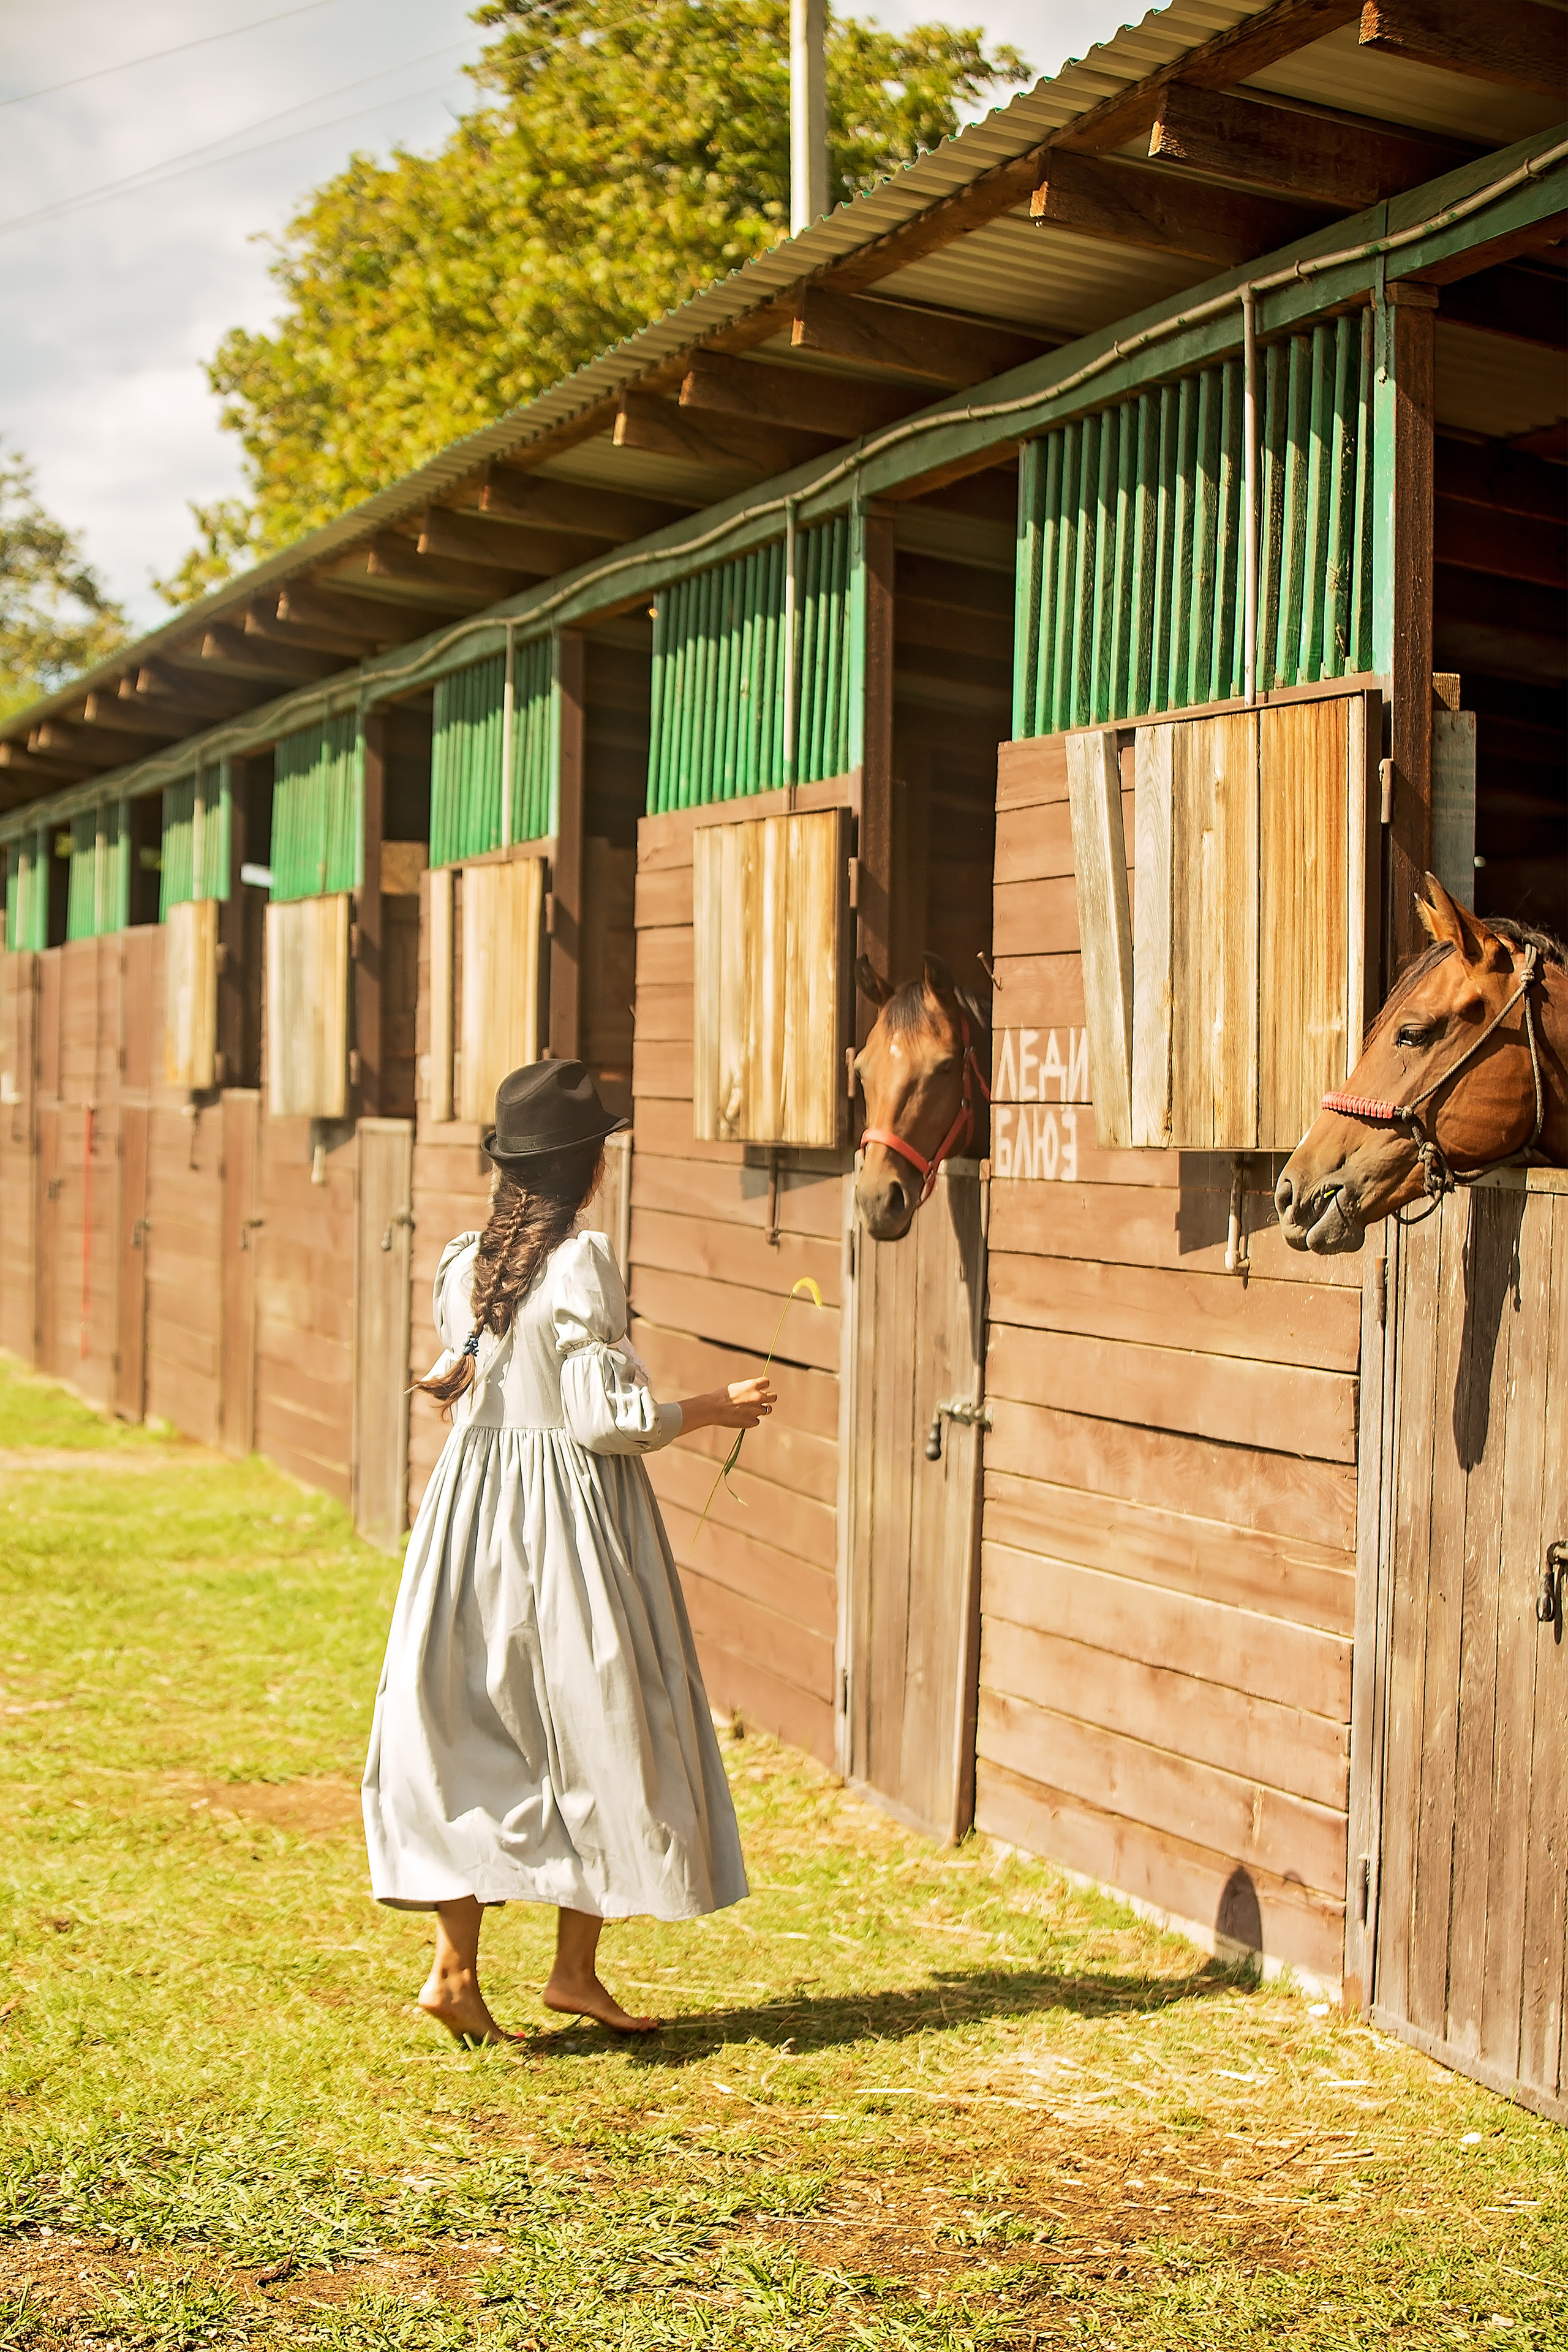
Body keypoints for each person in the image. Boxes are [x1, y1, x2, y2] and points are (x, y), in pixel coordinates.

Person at [362, 1060, 774, 2046]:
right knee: (602, 1719)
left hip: (470, 1524)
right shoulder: (581, 1262)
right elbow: (603, 1420)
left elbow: (476, 1382)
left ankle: (458, 1973)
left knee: (471, 1731)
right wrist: (718, 1408)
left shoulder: (464, 1263)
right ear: (590, 1170)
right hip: (569, 1527)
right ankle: (571, 1970)